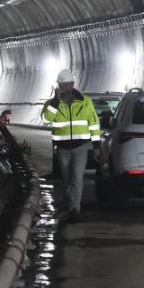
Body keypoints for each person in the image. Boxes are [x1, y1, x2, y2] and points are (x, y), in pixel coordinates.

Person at [42, 68, 101, 222]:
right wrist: (55, 100)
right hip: (62, 148)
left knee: (77, 177)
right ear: (58, 86)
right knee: (67, 178)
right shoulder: (52, 104)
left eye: (68, 84)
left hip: (81, 146)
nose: (65, 88)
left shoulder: (85, 101)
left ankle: (75, 208)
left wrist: (96, 146)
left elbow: (94, 123)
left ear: (73, 84)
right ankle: (69, 202)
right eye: (62, 85)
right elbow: (47, 117)